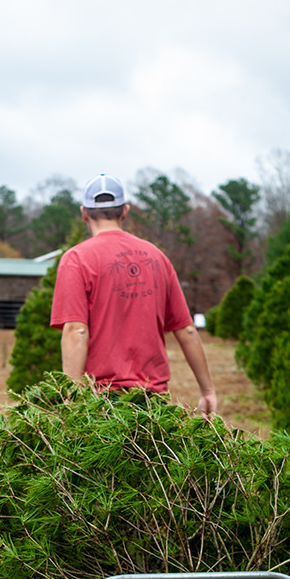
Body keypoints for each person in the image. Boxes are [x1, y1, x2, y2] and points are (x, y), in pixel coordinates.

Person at [50, 173, 217, 416]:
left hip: (100, 403)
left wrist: (70, 401)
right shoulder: (157, 257)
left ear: (84, 213)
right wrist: (207, 390)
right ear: (125, 212)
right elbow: (187, 329)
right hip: (153, 402)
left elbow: (76, 330)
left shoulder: (76, 259)